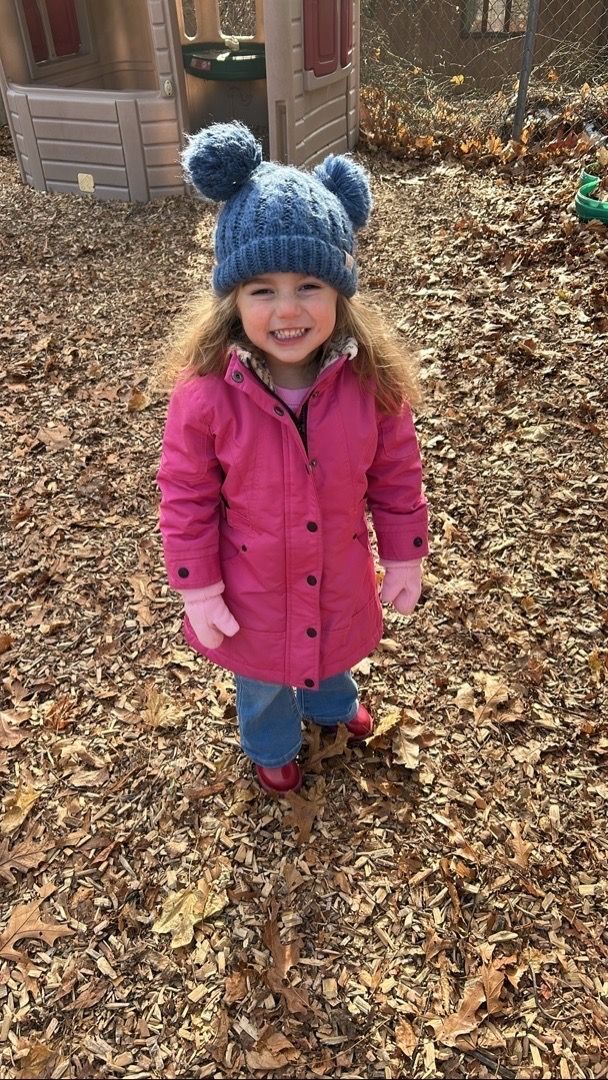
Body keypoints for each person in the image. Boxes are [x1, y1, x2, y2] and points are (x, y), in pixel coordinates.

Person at [156, 122, 429, 795]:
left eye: (309, 285)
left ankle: (332, 705)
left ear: (339, 292)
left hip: (335, 563)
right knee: (264, 675)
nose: (287, 309)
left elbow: (396, 476)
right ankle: (272, 743)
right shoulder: (207, 393)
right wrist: (198, 585)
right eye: (261, 290)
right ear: (233, 299)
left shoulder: (371, 381)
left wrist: (404, 553)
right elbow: (185, 494)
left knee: (332, 640)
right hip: (252, 586)